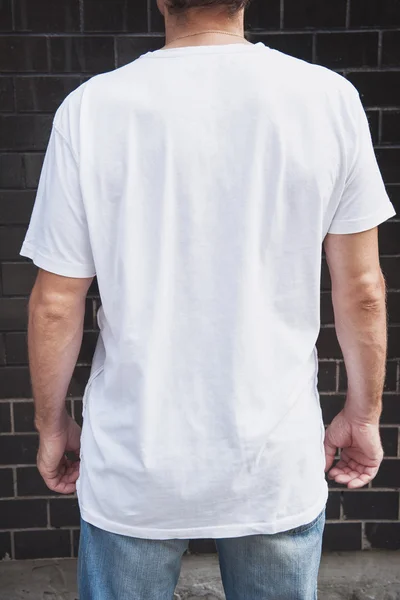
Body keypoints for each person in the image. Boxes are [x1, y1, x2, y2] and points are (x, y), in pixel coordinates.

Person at [21, 0, 395, 598]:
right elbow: (363, 291)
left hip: (133, 462)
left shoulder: (92, 109)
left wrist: (51, 425)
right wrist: (364, 414)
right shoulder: (328, 100)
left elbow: (55, 304)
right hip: (272, 462)